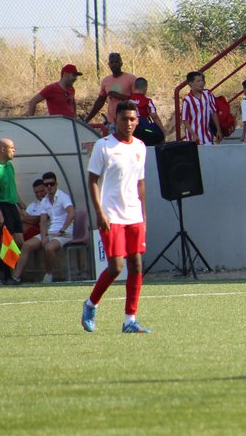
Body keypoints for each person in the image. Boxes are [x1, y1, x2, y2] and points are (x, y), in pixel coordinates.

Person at [80, 102, 150, 334]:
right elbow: (92, 181)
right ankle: (91, 304)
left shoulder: (140, 146)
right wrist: (99, 212)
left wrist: (143, 215)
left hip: (133, 214)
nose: (128, 123)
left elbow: (140, 183)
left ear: (137, 121)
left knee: (136, 264)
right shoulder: (104, 146)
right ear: (115, 120)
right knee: (116, 267)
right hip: (111, 215)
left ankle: (130, 320)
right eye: (124, 119)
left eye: (132, 119)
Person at [10, 171, 75, 284]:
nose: (49, 186)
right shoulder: (45, 201)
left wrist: (62, 229)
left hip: (64, 233)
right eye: (46, 184)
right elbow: (43, 221)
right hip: (51, 232)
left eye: (51, 184)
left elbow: (72, 213)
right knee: (27, 245)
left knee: (49, 247)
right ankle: (16, 277)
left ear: (56, 184)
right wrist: (44, 236)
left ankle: (56, 274)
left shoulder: (63, 197)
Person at [0, 138, 23, 283]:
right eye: (12, 147)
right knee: (8, 241)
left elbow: (13, 187)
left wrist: (21, 204)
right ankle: (7, 275)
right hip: (1, 206)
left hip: (12, 206)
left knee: (20, 241)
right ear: (3, 149)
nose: (14, 150)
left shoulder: (9, 166)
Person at [85, 53, 135, 128]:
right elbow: (100, 101)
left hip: (127, 121)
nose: (114, 65)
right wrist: (87, 119)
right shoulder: (105, 81)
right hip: (112, 121)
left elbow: (138, 99)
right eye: (112, 62)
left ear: (121, 64)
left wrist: (119, 96)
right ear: (109, 65)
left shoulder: (131, 78)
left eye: (116, 62)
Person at [180, 71, 222, 145]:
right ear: (190, 83)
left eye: (202, 80)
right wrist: (193, 134)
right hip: (193, 137)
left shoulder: (208, 94)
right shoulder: (187, 100)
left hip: (207, 136)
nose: (201, 83)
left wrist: (218, 129)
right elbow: (185, 119)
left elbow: (213, 112)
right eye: (198, 81)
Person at [129, 77, 166, 146]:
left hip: (129, 129)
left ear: (134, 87)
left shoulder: (127, 100)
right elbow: (154, 116)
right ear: (145, 88)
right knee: (157, 133)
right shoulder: (147, 101)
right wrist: (162, 130)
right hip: (142, 128)